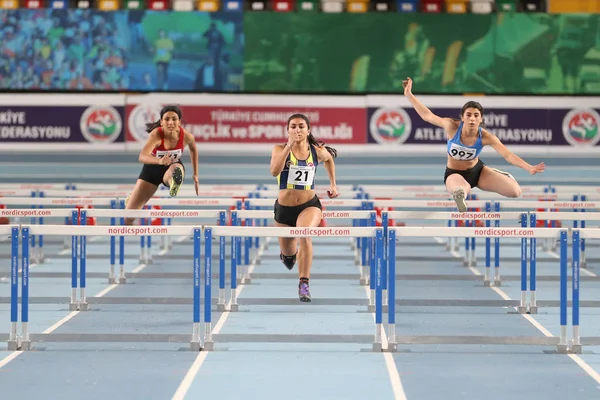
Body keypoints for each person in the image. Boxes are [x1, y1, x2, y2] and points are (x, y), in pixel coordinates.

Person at [402, 77, 545, 212]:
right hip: (454, 173)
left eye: (476, 115)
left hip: (478, 172)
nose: (472, 119)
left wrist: (529, 167)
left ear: (481, 119)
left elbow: (507, 155)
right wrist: (409, 94)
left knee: (515, 192)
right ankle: (461, 196)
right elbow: (427, 115)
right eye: (468, 115)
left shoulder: (487, 137)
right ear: (462, 117)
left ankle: (497, 173)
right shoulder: (451, 126)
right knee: (460, 190)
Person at [269, 113, 339, 302]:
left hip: (310, 206)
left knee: (305, 234)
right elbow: (274, 171)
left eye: (301, 126)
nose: (297, 130)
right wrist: (289, 147)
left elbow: (329, 159)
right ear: (287, 130)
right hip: (284, 210)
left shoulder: (316, 151)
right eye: (293, 127)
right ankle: (290, 256)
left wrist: (333, 184)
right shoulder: (279, 149)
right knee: (290, 259)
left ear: (308, 130)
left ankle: (304, 283)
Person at [125, 105, 199, 224]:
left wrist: (196, 175)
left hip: (172, 166)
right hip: (152, 169)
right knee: (129, 217)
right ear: (161, 122)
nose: (171, 122)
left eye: (174, 119)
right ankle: (132, 199)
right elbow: (142, 156)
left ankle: (173, 183)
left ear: (179, 121)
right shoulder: (156, 135)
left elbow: (194, 150)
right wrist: (159, 161)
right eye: (167, 119)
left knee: (175, 168)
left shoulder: (187, 136)